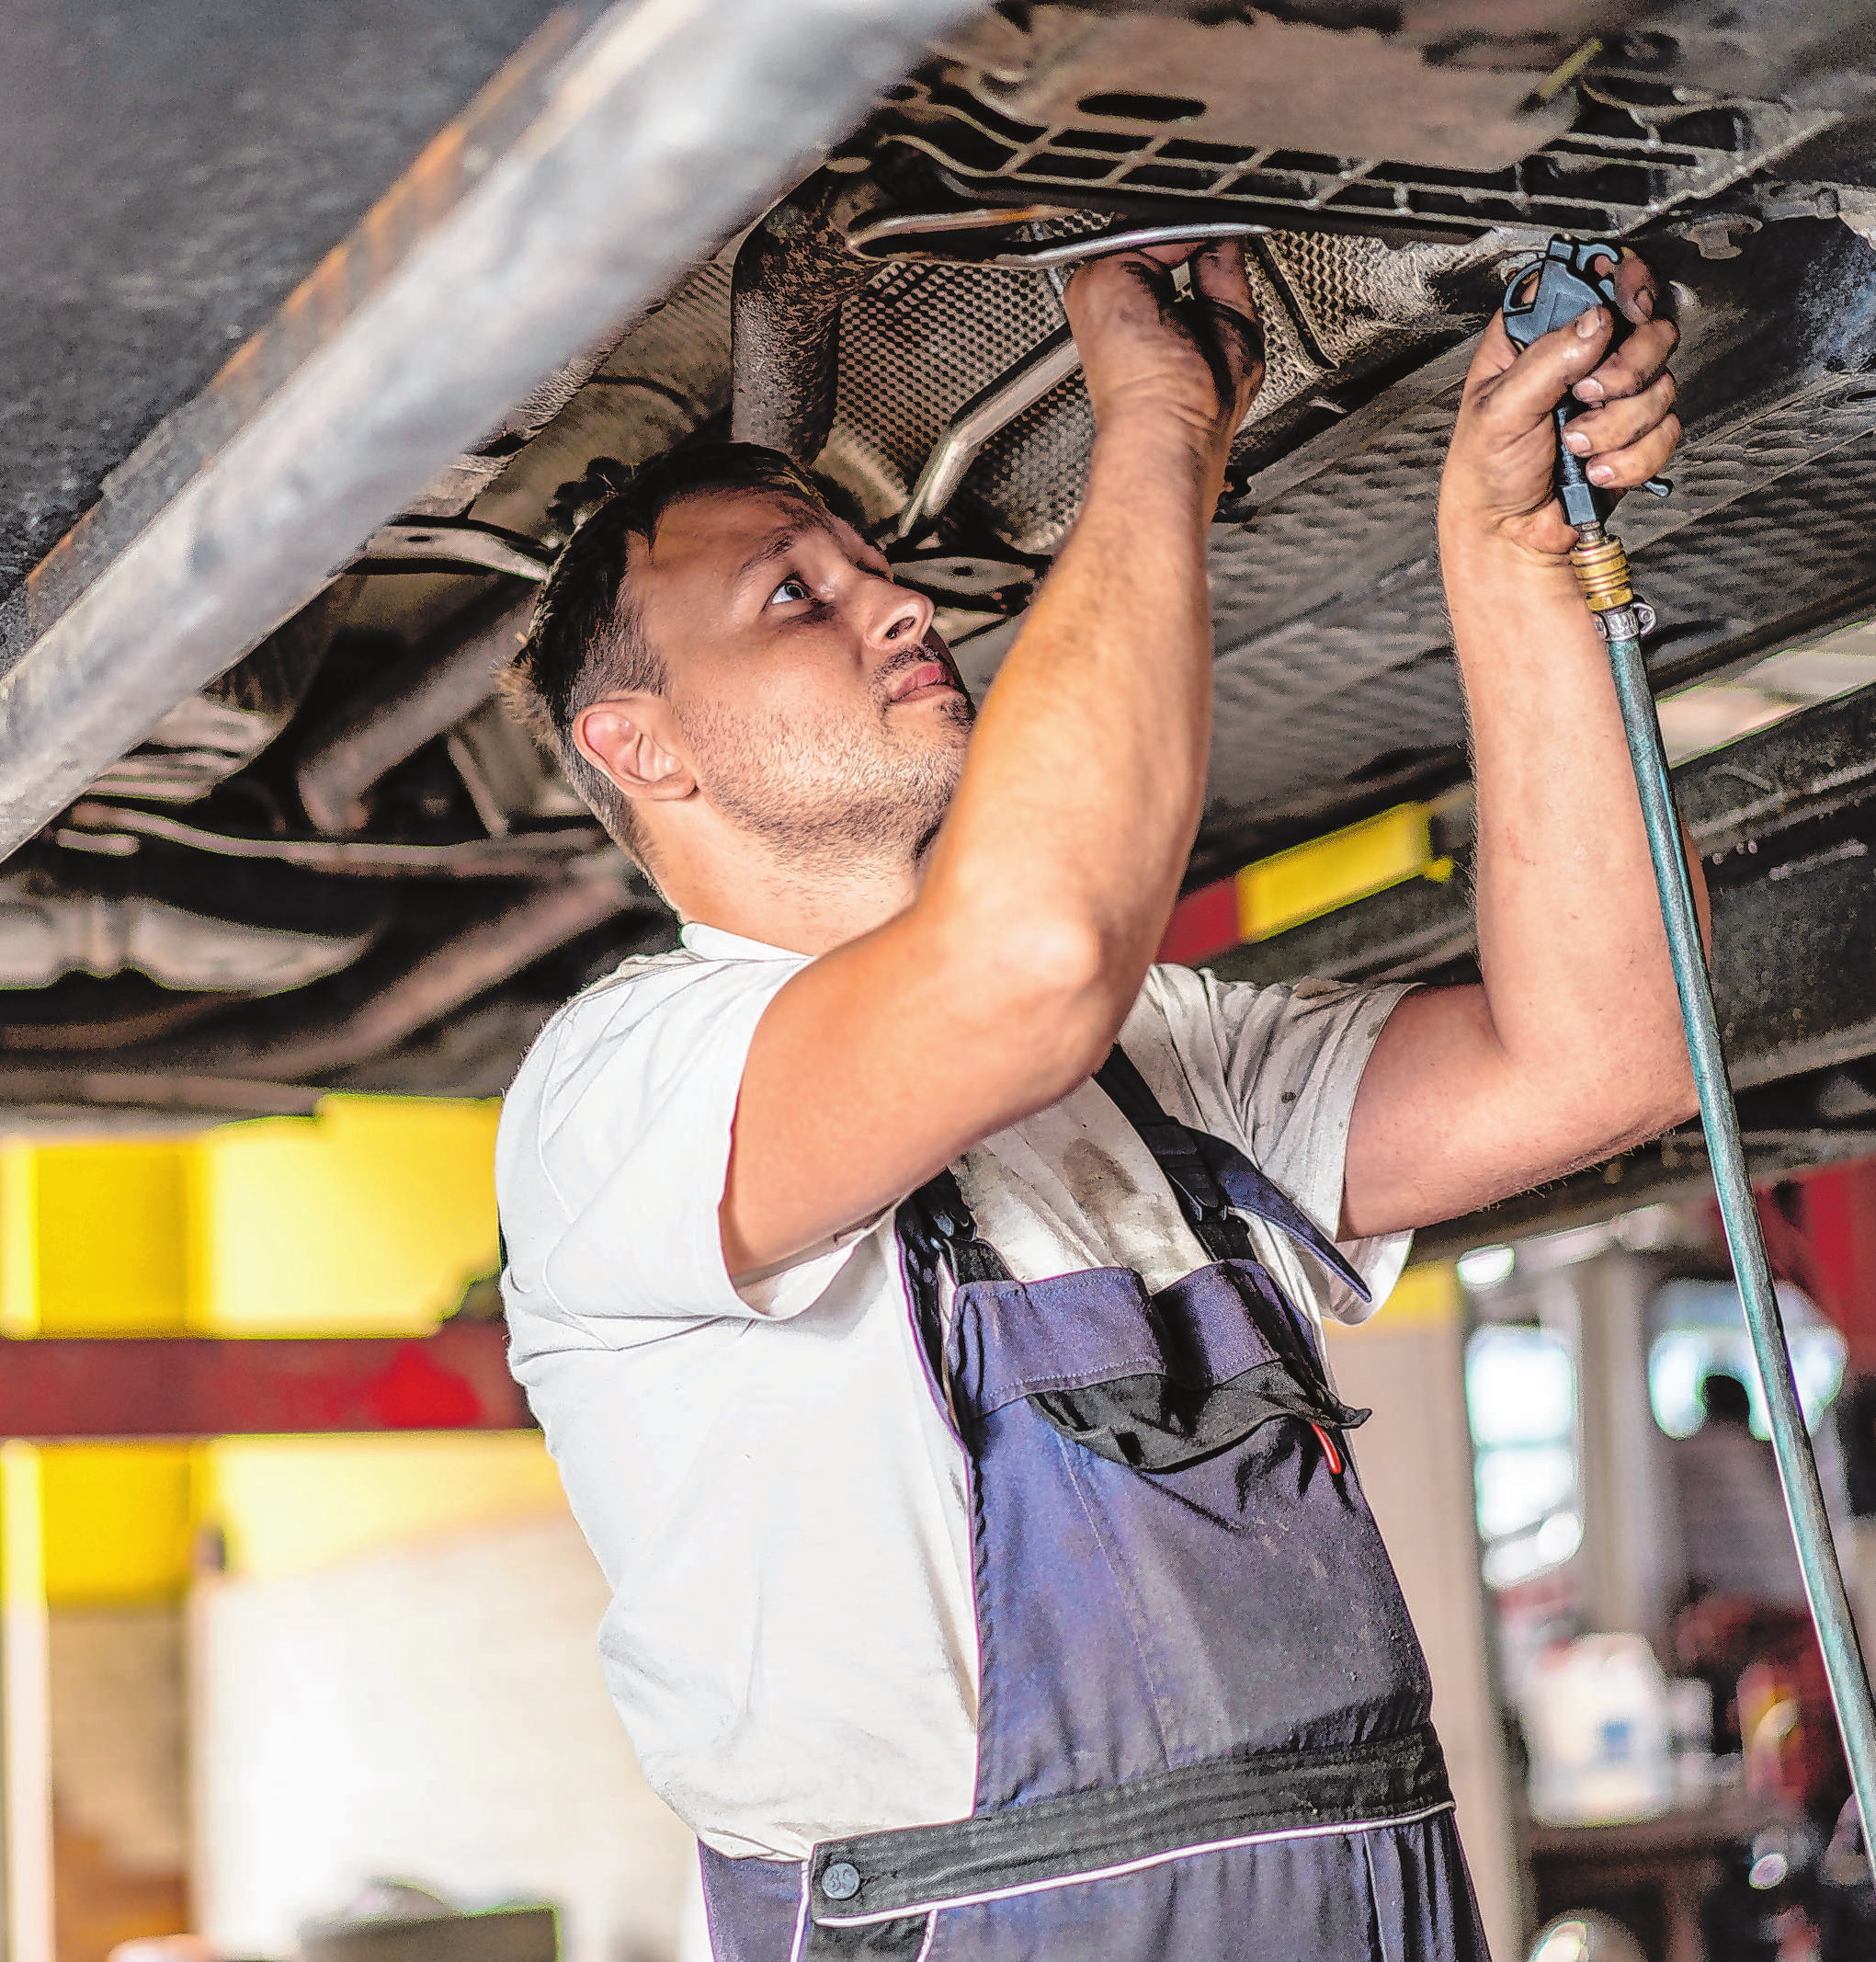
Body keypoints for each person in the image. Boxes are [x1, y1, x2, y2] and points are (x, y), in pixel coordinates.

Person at [497, 239, 1690, 1960]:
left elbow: (1611, 1050)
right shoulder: (618, 1089)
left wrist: (1517, 551)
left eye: (874, 563)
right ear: (642, 748)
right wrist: (1151, 424)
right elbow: (1030, 954)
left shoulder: (1156, 1058)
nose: (900, 601)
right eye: (795, 596)